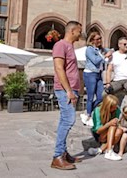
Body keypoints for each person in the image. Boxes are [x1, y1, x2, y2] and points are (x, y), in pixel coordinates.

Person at [51, 21, 83, 170]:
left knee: (65, 120)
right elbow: (59, 68)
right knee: (68, 120)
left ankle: (63, 153)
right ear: (72, 31)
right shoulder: (60, 45)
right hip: (65, 90)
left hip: (71, 89)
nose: (80, 34)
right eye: (79, 31)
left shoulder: (70, 47)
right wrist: (69, 91)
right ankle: (57, 157)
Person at [80, 32, 113, 127]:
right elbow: (95, 60)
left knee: (100, 97)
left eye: (100, 38)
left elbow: (111, 50)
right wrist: (105, 56)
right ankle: (89, 115)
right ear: (92, 40)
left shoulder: (101, 49)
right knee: (90, 97)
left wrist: (110, 52)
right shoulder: (89, 50)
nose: (99, 40)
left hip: (98, 74)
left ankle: (88, 111)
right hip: (90, 73)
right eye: (97, 39)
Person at [88, 94, 123, 161]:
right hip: (100, 133)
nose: (116, 108)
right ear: (108, 107)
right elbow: (97, 130)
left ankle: (100, 150)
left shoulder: (117, 110)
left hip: (111, 132)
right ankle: (109, 151)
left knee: (119, 131)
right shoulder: (97, 110)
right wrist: (109, 124)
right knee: (112, 125)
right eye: (114, 107)